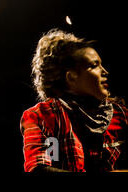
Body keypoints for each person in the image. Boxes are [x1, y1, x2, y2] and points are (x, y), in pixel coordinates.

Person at [20, 29, 127, 172]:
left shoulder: (121, 114)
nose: (105, 72)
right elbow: (39, 169)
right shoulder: (42, 116)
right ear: (71, 77)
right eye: (94, 66)